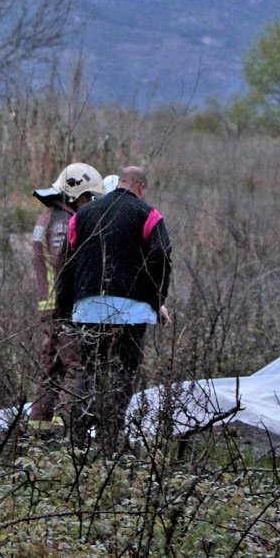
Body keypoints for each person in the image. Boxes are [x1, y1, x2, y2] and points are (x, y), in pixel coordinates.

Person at [55, 166, 172, 449]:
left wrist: (64, 309)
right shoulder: (149, 214)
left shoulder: (82, 215)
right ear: (141, 188)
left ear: (119, 183)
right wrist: (156, 300)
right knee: (124, 369)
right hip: (133, 311)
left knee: (89, 368)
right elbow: (161, 256)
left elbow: (65, 263)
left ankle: (78, 437)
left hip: (87, 306)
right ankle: (112, 433)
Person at [28, 162, 106, 434]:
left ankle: (38, 432)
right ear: (74, 193)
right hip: (62, 308)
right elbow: (65, 265)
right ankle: (67, 434)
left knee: (49, 371)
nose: (89, 204)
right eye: (87, 197)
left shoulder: (48, 217)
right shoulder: (62, 223)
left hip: (49, 308)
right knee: (75, 368)